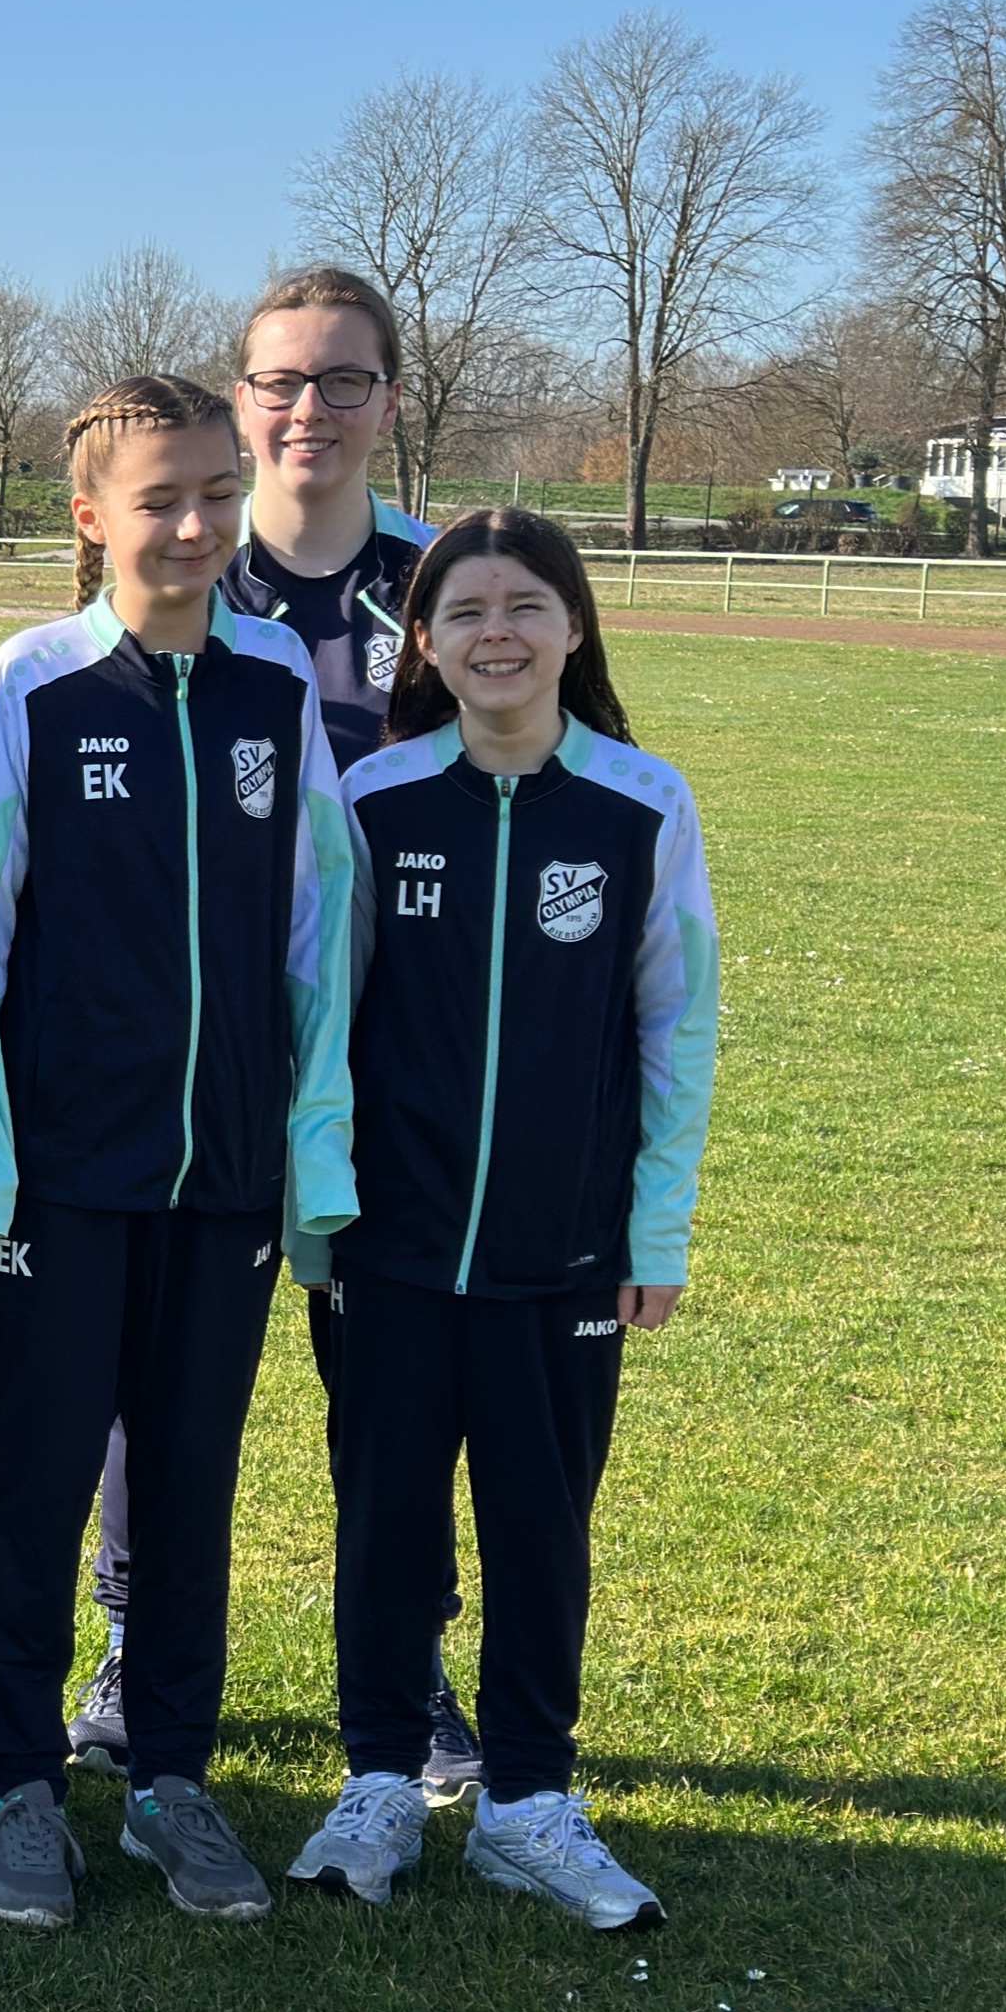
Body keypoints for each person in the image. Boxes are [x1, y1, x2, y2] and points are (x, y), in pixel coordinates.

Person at [0, 373, 357, 1932]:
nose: (192, 524)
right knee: (40, 1483)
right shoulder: (33, 682)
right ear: (90, 514)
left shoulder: (276, 682)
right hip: (63, 1173)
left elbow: (319, 927)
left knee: (187, 1483)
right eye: (159, 498)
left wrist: (310, 1150)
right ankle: (18, 1784)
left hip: (223, 1175)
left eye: (216, 492)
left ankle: (171, 1774)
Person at [281, 510, 716, 1929]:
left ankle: (528, 1797)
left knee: (541, 1524)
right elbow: (322, 1014)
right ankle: (379, 1779)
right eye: (465, 610)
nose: (499, 633)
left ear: (575, 626)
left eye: (527, 604)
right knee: (384, 1518)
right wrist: (321, 1207)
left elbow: (676, 1027)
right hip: (391, 1248)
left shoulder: (643, 804)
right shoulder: (376, 799)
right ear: (423, 641)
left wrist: (654, 1230)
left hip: (564, 1252)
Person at [72, 266, 453, 1784]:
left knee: (395, 1371)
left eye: (343, 379)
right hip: (203, 1058)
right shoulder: (184, 566)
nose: (311, 408)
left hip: (406, 1056)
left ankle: (410, 1663)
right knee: (149, 1376)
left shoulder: (444, 583)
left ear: (388, 400)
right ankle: (129, 1638)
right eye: (282, 381)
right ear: (240, 400)